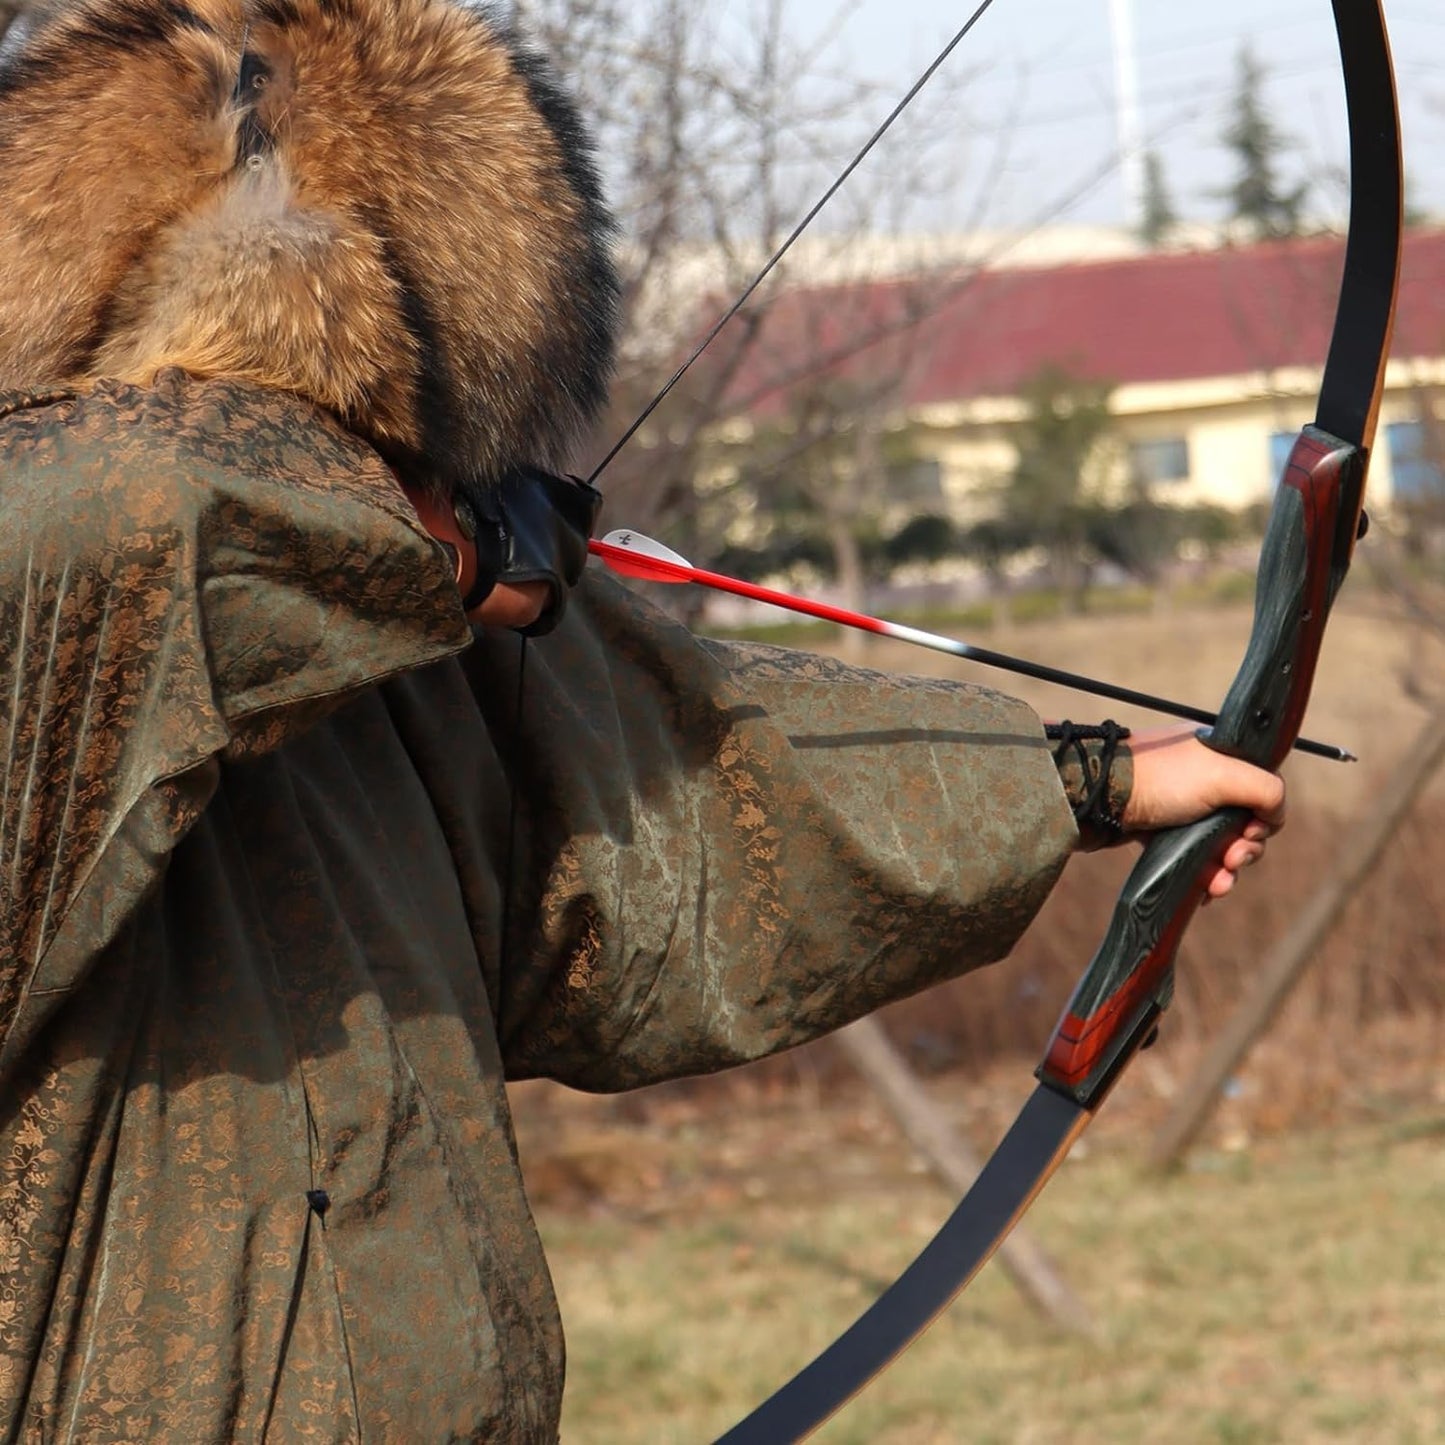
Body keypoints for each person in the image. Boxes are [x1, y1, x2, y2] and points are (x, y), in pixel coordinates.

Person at [0, 0, 1283, 1438]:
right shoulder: (48, 626)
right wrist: (448, 547)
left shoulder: (404, 661)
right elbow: (133, 509)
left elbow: (698, 803)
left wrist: (1090, 786)